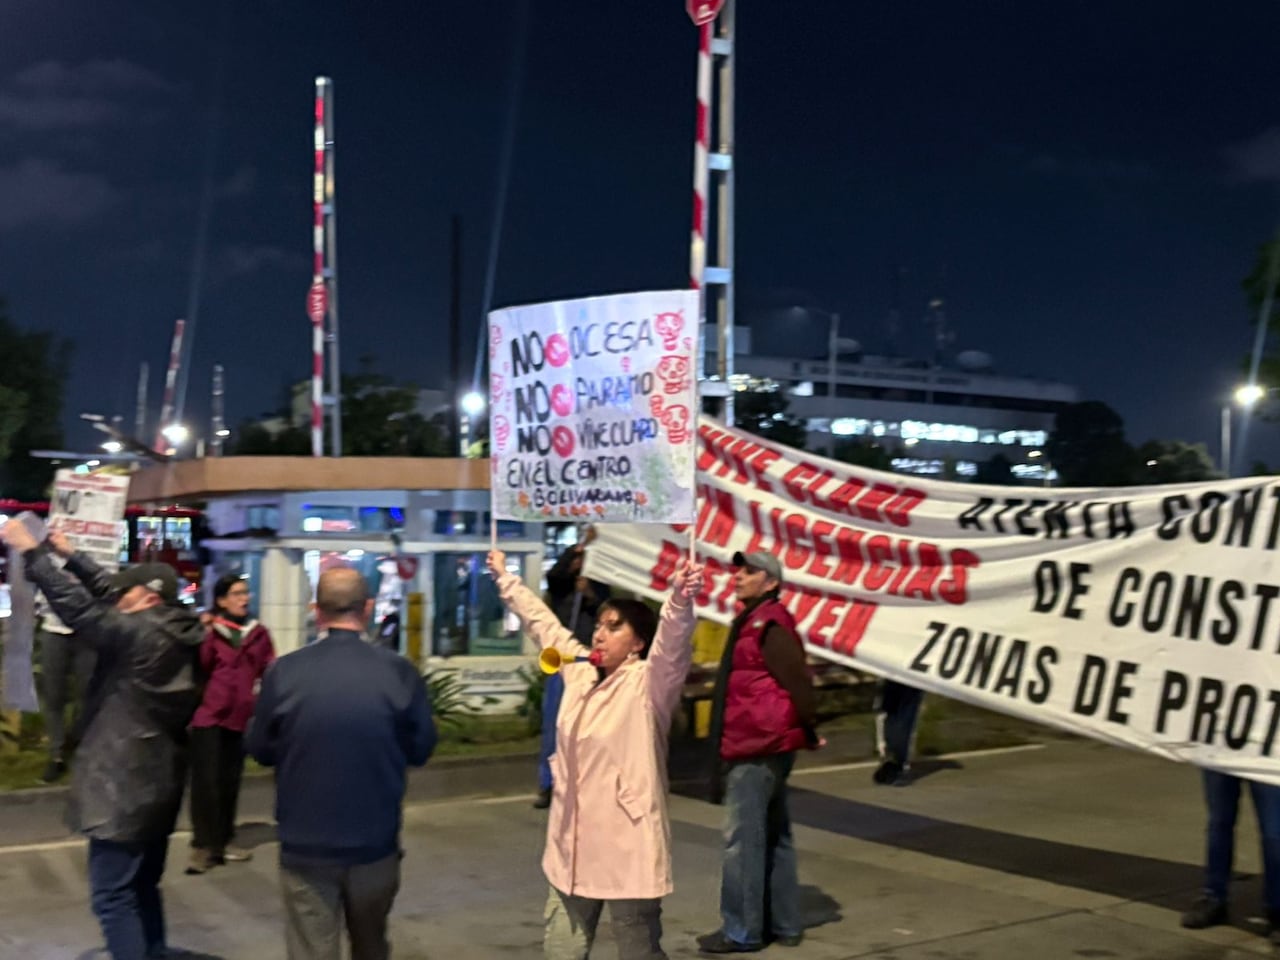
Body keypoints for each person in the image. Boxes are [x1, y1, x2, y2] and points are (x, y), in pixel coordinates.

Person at [487, 546, 703, 960]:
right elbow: (543, 625)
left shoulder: (649, 685)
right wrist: (505, 578)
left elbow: (673, 645)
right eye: (600, 625)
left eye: (614, 627)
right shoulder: (580, 671)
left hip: (627, 846)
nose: (599, 634)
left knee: (637, 947)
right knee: (561, 948)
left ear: (638, 643)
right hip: (571, 848)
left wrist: (680, 600)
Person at [1, 519, 203, 960]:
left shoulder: (138, 633)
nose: (116, 597)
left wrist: (33, 554)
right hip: (158, 781)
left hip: (121, 783)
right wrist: (71, 555)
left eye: (127, 594)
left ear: (148, 599)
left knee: (113, 897)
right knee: (141, 885)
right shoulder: (175, 627)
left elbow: (82, 611)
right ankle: (152, 952)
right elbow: (112, 593)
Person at [246, 566, 436, 960]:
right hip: (375, 843)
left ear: (316, 610)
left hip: (305, 845)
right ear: (367, 608)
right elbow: (420, 748)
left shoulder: (285, 673)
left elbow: (261, 748)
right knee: (371, 944)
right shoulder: (399, 673)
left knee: (311, 949)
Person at [697, 551, 818, 955]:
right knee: (775, 833)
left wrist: (810, 728)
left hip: (758, 743)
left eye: (749, 572)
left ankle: (742, 931)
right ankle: (784, 925)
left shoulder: (768, 624)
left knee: (743, 839)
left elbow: (797, 679)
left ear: (770, 582)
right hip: (767, 741)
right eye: (739, 571)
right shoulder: (756, 621)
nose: (738, 577)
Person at [186, 573, 276, 874]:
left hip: (239, 718)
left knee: (229, 782)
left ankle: (224, 840)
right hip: (209, 715)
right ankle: (203, 846)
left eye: (245, 593)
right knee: (206, 783)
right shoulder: (211, 631)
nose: (244, 598)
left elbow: (269, 668)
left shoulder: (258, 633)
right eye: (236, 594)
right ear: (222, 600)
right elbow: (199, 667)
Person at [534, 535, 609, 810]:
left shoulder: (599, 585)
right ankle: (548, 783)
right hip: (564, 659)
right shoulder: (562, 587)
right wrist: (577, 549)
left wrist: (590, 594)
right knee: (555, 721)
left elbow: (606, 611)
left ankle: (583, 782)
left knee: (588, 725)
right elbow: (554, 575)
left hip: (589, 659)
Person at [1181, 769, 1280, 944]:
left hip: (1267, 754)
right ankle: (1214, 898)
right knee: (1219, 823)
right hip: (1222, 754)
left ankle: (1277, 908)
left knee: (1274, 833)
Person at [35, 598, 95, 783]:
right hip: (53, 628)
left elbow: (105, 583)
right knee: (53, 696)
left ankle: (81, 749)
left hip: (88, 630)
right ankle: (57, 756)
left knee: (88, 696)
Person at [872, 679, 924, 787]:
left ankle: (898, 765)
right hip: (896, 678)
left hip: (910, 681)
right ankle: (893, 763)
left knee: (905, 721)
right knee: (890, 718)